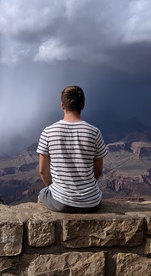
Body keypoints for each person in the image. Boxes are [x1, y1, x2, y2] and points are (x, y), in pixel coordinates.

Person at [36, 85, 108, 213]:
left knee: (42, 194)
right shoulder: (94, 132)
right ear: (83, 105)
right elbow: (98, 169)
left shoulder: (48, 132)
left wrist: (55, 189)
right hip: (91, 202)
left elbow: (42, 171)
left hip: (61, 202)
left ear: (62, 106)